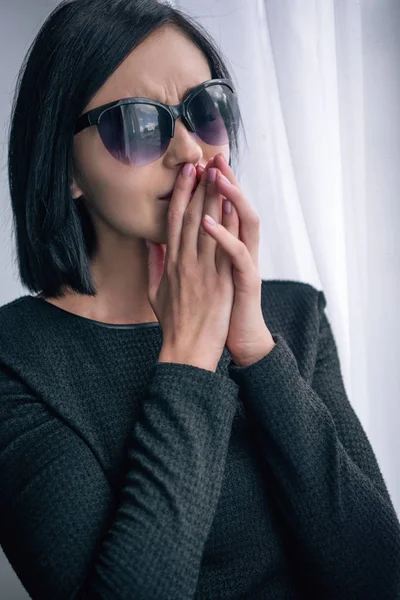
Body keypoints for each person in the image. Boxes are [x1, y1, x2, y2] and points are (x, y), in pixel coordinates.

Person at [1, 0, 399, 598]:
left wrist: (256, 351)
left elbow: (379, 577)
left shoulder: (293, 315)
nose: (190, 151)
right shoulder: (18, 361)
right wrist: (187, 356)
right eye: (138, 124)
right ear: (66, 170)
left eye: (204, 112)